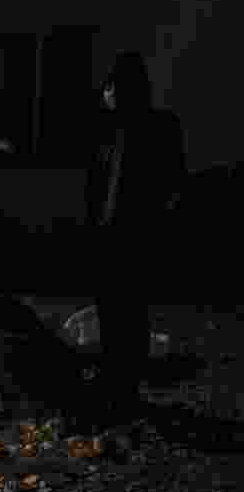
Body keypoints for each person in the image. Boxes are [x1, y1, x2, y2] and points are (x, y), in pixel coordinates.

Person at [86, 51, 186, 422]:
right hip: (111, 235)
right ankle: (119, 382)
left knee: (127, 310)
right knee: (116, 309)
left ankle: (123, 384)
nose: (106, 94)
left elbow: (171, 179)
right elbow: (96, 184)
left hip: (134, 234)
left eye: (110, 87)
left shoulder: (154, 127)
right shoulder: (111, 132)